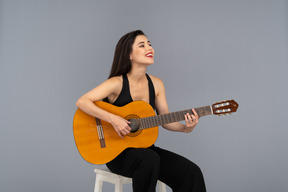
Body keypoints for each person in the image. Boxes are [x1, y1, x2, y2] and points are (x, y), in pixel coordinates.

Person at [76, 30, 206, 192]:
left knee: (191, 172)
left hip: (146, 150)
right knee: (149, 160)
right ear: (129, 54)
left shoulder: (157, 84)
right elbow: (82, 102)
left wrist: (186, 128)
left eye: (150, 44)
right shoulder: (116, 83)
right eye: (142, 45)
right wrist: (113, 119)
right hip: (117, 154)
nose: (149, 48)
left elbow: (165, 119)